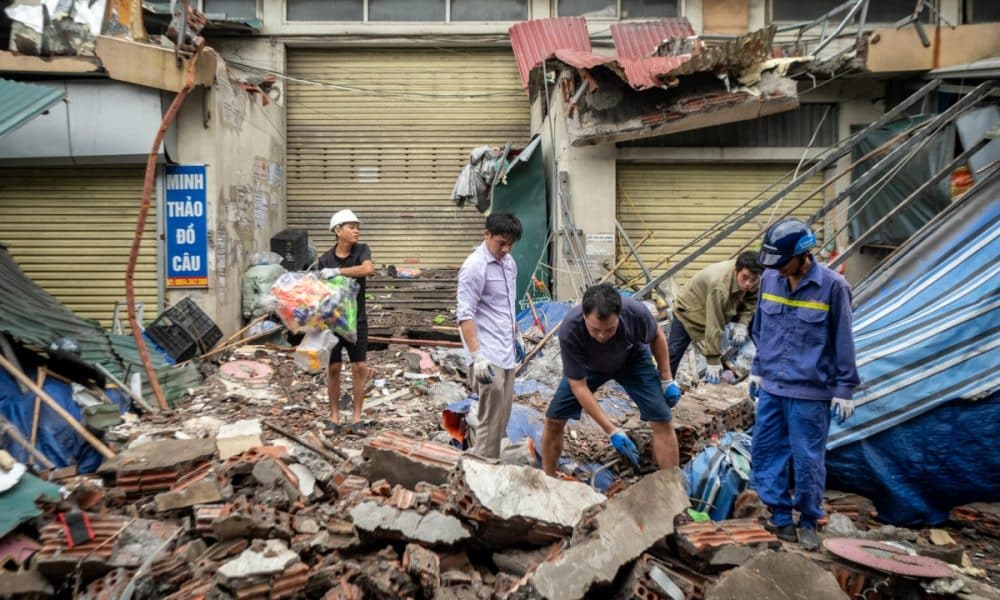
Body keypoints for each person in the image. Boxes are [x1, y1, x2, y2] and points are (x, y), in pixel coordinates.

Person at [749, 218, 859, 551]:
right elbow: (761, 329)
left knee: (807, 460)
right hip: (772, 388)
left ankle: (809, 520)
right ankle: (781, 518)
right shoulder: (770, 279)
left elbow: (844, 340)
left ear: (803, 255)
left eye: (783, 262)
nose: (779, 269)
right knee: (766, 453)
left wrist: (845, 388)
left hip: (811, 393)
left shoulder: (833, 286)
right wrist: (756, 369)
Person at [541, 284, 683, 475]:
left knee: (662, 419)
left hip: (632, 361)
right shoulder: (570, 330)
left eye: (609, 329)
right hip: (589, 367)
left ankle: (672, 486)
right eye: (595, 329)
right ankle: (548, 479)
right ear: (584, 317)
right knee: (554, 420)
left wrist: (666, 379)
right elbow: (579, 386)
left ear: (619, 315)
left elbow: (656, 335)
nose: (602, 335)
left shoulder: (634, 311)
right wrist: (612, 430)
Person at [456, 213, 522, 459]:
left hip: (506, 350)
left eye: (510, 244)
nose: (505, 249)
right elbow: (464, 315)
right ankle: (481, 469)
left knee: (502, 417)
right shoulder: (475, 266)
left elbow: (507, 304)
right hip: (487, 352)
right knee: (490, 417)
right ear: (486, 235)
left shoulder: (509, 263)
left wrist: (517, 334)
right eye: (501, 243)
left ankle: (493, 462)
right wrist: (477, 355)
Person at [668, 252, 762, 384]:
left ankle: (758, 367)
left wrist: (742, 325)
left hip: (727, 305)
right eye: (745, 277)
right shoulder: (720, 285)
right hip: (690, 309)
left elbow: (752, 302)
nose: (748, 284)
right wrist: (713, 360)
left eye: (753, 279)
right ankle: (660, 389)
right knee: (672, 354)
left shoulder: (755, 279)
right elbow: (714, 323)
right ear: (736, 270)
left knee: (758, 318)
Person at [318, 209, 374, 433]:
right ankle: (334, 417)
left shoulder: (362, 250)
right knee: (333, 367)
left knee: (359, 366)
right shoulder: (324, 259)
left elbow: (367, 269)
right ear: (338, 231)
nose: (357, 231)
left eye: (357, 226)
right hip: (332, 321)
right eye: (352, 227)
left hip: (357, 320)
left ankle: (357, 417)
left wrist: (337, 272)